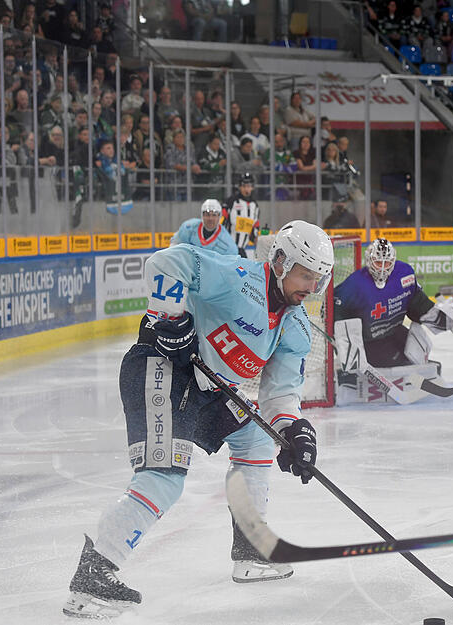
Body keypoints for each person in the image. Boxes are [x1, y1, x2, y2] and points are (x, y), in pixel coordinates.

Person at [63, 221, 334, 618]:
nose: (311, 287)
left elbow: (279, 396)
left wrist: (295, 431)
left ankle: (250, 549)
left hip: (210, 386)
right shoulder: (236, 276)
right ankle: (94, 573)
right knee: (164, 480)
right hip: (162, 368)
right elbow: (165, 263)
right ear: (280, 262)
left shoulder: (293, 327)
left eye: (318, 278)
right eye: (304, 275)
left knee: (256, 440)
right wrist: (170, 318)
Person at [333, 238, 453, 370]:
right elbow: (333, 308)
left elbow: (417, 303)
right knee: (401, 363)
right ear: (369, 261)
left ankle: (412, 379)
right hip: (369, 343)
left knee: (419, 346)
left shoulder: (404, 274)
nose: (383, 269)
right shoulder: (355, 284)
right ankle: (406, 380)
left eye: (388, 263)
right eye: (379, 263)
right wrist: (344, 342)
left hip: (394, 333)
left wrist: (443, 318)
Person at [169, 198, 239, 255]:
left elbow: (230, 265)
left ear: (219, 217)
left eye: (214, 215)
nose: (210, 218)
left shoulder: (227, 243)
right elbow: (174, 245)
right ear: (202, 216)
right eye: (207, 214)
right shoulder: (189, 227)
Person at [223, 172, 260, 257]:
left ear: (252, 187)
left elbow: (255, 226)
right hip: (228, 249)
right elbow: (221, 221)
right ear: (239, 187)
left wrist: (256, 241)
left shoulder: (255, 205)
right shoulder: (231, 201)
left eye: (249, 186)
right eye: (244, 186)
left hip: (243, 249)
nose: (246, 189)